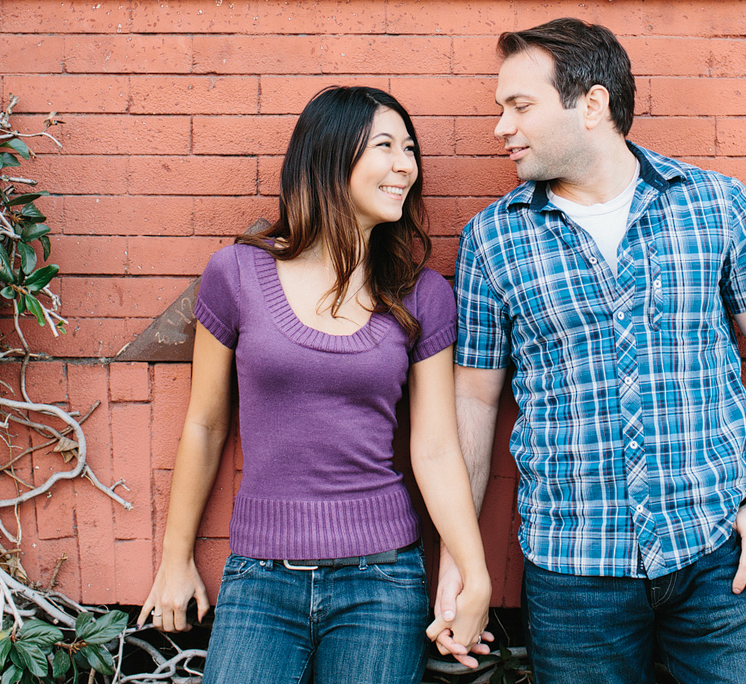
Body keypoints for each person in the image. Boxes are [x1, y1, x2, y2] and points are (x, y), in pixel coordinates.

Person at [429, 18, 746, 684]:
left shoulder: (715, 206)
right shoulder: (493, 239)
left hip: (715, 556)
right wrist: (460, 561)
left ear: (592, 104)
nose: (501, 126)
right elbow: (471, 403)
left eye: (519, 106)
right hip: (574, 571)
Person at [138, 85, 493, 684]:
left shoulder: (421, 294)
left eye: (410, 149)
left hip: (381, 579)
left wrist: (473, 572)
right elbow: (204, 424)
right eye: (386, 146)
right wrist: (176, 558)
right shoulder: (237, 274)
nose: (406, 164)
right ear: (329, 157)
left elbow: (434, 448)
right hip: (259, 577)